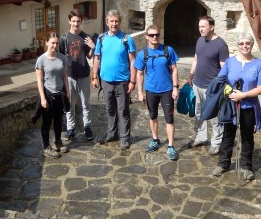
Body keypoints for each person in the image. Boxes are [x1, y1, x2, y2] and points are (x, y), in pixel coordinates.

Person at [211, 32, 261, 181]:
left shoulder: (259, 65)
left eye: (247, 43)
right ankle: (223, 163)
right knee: (228, 135)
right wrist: (229, 92)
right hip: (231, 105)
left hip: (249, 106)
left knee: (247, 137)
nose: (244, 46)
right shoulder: (230, 62)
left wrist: (243, 95)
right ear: (237, 45)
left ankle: (246, 166)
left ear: (252, 45)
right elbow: (221, 80)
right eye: (241, 43)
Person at [92, 9, 136, 150]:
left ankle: (124, 137)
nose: (114, 23)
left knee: (123, 111)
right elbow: (97, 58)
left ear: (120, 22)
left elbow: (133, 61)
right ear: (107, 22)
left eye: (116, 21)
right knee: (110, 109)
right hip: (106, 81)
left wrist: (133, 81)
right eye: (111, 21)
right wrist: (94, 76)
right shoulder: (101, 39)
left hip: (122, 81)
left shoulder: (127, 39)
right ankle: (112, 134)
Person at [135, 25, 180, 161]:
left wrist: (175, 87)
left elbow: (174, 69)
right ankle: (155, 139)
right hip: (151, 90)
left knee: (169, 118)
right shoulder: (142, 53)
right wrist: (140, 92)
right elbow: (139, 74)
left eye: (157, 34)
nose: (155, 37)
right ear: (146, 37)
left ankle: (170, 146)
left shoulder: (168, 50)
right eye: (152, 35)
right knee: (153, 116)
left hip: (167, 89)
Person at [187, 16, 229, 155]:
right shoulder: (200, 40)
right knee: (198, 113)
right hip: (197, 84)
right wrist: (190, 76)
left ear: (212, 27)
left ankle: (216, 143)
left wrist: (218, 86)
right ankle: (201, 137)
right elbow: (196, 59)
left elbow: (224, 68)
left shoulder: (221, 45)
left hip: (212, 88)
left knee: (214, 117)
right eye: (199, 26)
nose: (200, 29)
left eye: (203, 26)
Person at [59, 10, 96, 141]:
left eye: (78, 21)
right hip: (69, 76)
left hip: (84, 75)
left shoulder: (85, 37)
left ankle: (87, 127)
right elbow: (60, 57)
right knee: (69, 103)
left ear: (81, 22)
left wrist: (92, 47)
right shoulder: (64, 38)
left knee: (86, 103)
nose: (76, 24)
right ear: (69, 21)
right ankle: (71, 128)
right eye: (73, 21)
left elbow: (89, 56)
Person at [35, 33, 71, 158]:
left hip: (59, 94)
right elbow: (39, 81)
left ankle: (58, 141)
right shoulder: (41, 60)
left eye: (57, 43)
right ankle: (46, 147)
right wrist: (43, 98)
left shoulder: (62, 58)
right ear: (47, 43)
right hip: (47, 95)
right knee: (47, 122)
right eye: (52, 43)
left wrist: (68, 92)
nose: (55, 45)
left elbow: (65, 76)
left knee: (58, 120)